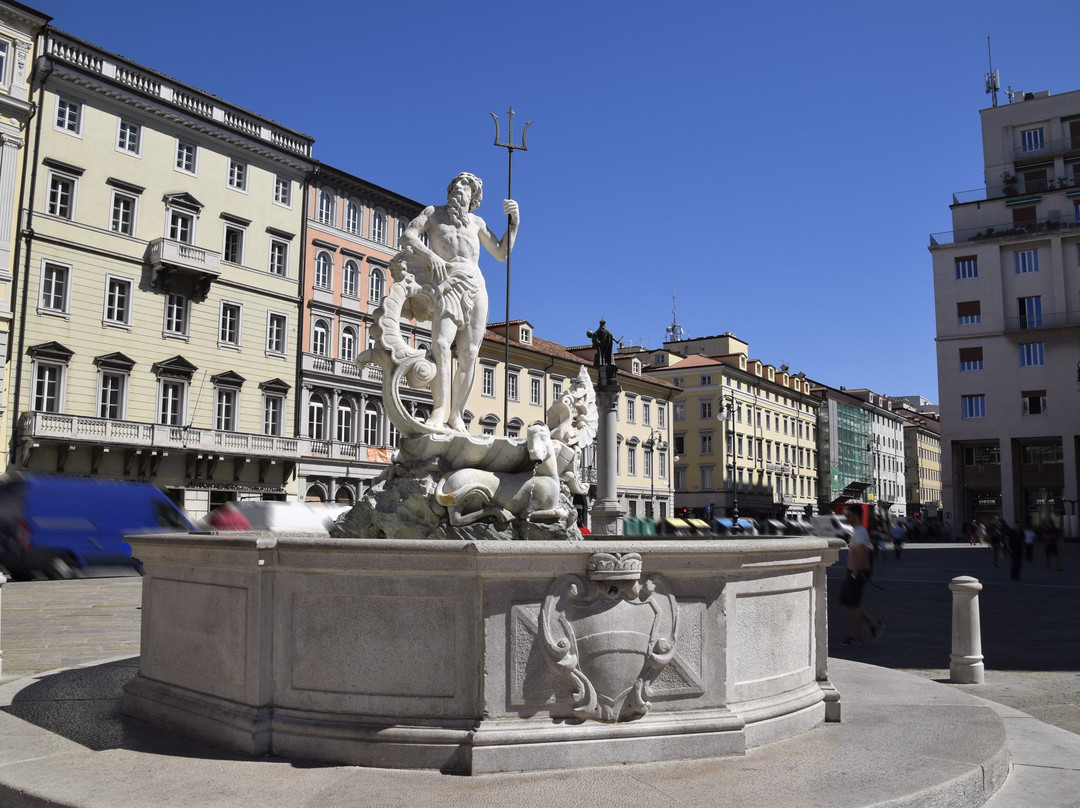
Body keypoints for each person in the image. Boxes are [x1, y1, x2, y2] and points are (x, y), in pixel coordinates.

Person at [395, 172, 519, 433]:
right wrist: (431, 256)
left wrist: (514, 225)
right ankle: (439, 410)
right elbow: (408, 237)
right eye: (455, 185)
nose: (458, 190)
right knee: (440, 345)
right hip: (447, 285)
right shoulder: (434, 213)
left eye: (464, 187)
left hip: (476, 287)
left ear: (473, 198)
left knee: (469, 354)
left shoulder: (477, 223)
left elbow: (500, 253)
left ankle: (456, 414)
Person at [838, 504, 884, 646]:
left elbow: (860, 553)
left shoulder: (860, 532)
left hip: (857, 572)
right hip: (855, 571)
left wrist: (855, 573)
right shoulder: (858, 531)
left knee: (853, 603)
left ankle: (857, 635)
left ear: (857, 516)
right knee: (848, 601)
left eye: (850, 516)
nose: (848, 519)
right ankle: (873, 623)